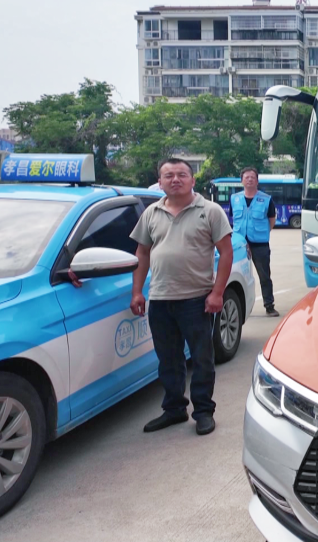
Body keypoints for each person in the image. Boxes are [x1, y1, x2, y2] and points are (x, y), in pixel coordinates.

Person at [130, 158, 233, 436]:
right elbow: (142, 253)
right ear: (160, 182)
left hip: (197, 300)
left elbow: (226, 252)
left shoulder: (210, 211)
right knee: (168, 360)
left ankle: (203, 412)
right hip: (160, 299)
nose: (175, 179)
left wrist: (217, 293)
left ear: (192, 180)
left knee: (202, 359)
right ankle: (174, 409)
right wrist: (137, 291)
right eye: (169, 175)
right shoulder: (151, 213)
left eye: (182, 174)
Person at [231, 167, 279, 317]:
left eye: (253, 177)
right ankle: (239, 308)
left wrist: (262, 233)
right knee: (236, 275)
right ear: (241, 181)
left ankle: (269, 306)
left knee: (264, 276)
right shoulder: (234, 199)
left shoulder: (266, 199)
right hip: (239, 244)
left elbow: (271, 219)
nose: (250, 179)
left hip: (259, 244)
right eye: (247, 177)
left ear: (257, 181)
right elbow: (233, 219)